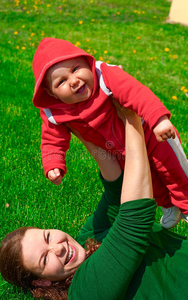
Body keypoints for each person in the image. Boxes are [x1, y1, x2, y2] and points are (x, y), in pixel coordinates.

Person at [0, 107, 188, 300]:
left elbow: (117, 189)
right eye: (45, 259)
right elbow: (134, 222)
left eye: (47, 237)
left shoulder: (87, 236)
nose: (58, 248)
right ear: (41, 282)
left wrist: (77, 125)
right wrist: (132, 121)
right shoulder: (84, 292)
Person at [32, 37, 188, 229]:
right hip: (120, 152)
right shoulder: (55, 111)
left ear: (87, 63)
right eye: (61, 81)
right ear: (52, 94)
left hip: (152, 133)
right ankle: (168, 204)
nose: (74, 81)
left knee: (173, 170)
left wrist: (159, 120)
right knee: (149, 179)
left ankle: (186, 204)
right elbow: (51, 139)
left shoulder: (105, 76)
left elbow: (136, 93)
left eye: (76, 69)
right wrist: (53, 162)